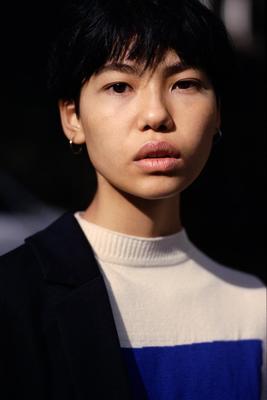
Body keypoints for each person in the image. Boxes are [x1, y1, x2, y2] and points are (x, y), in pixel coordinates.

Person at [0, 0, 266, 399]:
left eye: (184, 84)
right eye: (119, 86)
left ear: (218, 114)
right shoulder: (13, 300)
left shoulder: (252, 308)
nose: (156, 115)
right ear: (73, 118)